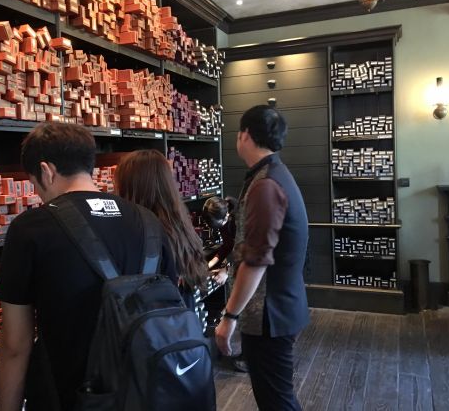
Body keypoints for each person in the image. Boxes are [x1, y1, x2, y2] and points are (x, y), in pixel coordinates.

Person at [0, 123, 177, 411]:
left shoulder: (30, 228)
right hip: (148, 391)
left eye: (34, 183)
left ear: (46, 171)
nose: (38, 193)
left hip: (69, 396)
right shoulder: (148, 221)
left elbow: (16, 344)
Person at [214, 105, 310, 411]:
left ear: (244, 135)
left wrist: (229, 317)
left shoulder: (266, 184)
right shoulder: (272, 174)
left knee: (276, 402)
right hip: (281, 307)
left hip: (271, 314)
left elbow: (255, 262)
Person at [114, 149, 208, 308]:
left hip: (155, 319)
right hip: (181, 317)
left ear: (130, 187)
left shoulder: (141, 233)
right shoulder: (178, 224)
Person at [202, 196, 249, 374]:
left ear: (227, 215)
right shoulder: (223, 222)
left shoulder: (239, 222)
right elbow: (227, 246)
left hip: (250, 267)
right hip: (238, 264)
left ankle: (248, 357)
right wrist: (211, 263)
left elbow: (242, 251)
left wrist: (226, 270)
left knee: (245, 310)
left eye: (218, 224)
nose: (217, 228)